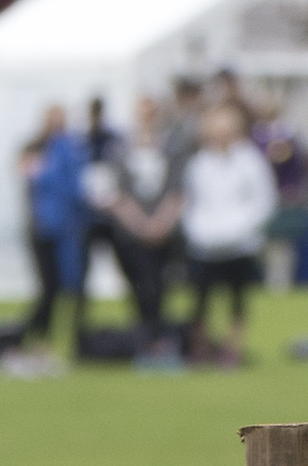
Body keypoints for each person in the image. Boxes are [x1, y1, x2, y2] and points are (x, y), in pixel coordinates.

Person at [180, 88, 276, 354]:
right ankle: (201, 349)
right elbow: (191, 203)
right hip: (205, 245)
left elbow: (263, 201)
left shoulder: (250, 161)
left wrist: (241, 228)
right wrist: (198, 230)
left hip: (240, 245)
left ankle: (233, 349)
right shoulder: (199, 164)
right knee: (200, 300)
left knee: (237, 300)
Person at [96, 98, 185, 352]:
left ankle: (157, 341)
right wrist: (141, 225)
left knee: (160, 288)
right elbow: (117, 193)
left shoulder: (173, 148)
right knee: (139, 288)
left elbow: (176, 190)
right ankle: (145, 340)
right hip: (131, 233)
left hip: (164, 232)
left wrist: (160, 223)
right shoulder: (120, 149)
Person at [23, 104, 93, 346]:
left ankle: (77, 341)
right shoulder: (35, 148)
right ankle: (36, 338)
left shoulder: (71, 148)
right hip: (45, 228)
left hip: (69, 228)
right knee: (49, 288)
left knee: (75, 288)